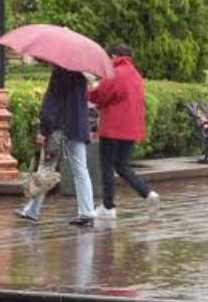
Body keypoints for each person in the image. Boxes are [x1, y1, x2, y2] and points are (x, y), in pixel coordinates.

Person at [16, 67, 95, 227]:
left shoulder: (60, 71)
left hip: (58, 128)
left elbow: (52, 102)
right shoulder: (83, 74)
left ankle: (32, 211)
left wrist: (44, 130)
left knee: (46, 169)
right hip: (78, 127)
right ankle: (87, 211)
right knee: (81, 170)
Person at [89, 43, 158, 220]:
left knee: (107, 167)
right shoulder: (135, 74)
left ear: (113, 56)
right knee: (122, 166)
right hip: (131, 129)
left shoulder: (114, 73)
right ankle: (148, 193)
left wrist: (89, 92)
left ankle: (108, 207)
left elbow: (102, 95)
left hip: (112, 128)